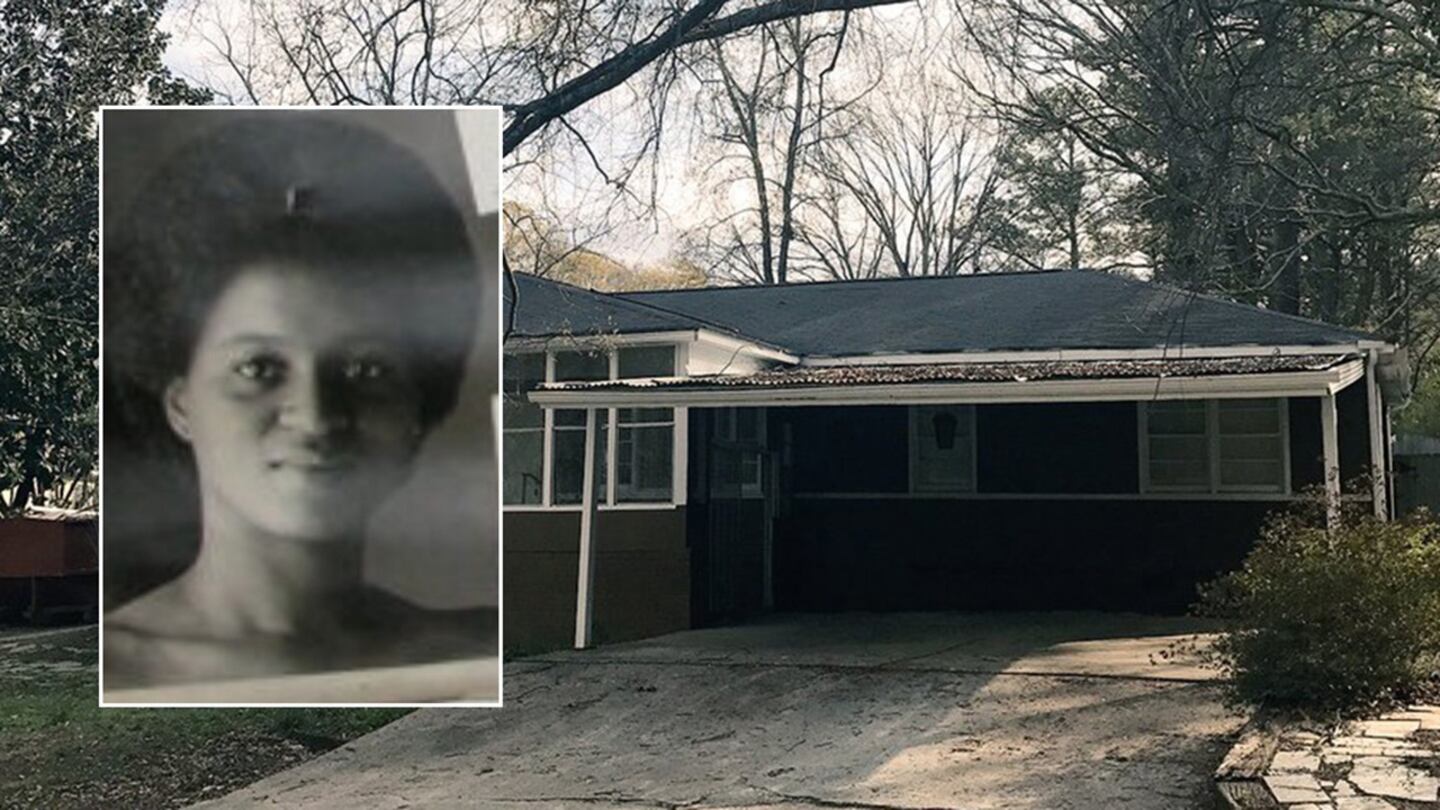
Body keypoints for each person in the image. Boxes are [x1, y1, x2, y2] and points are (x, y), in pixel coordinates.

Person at [102, 113, 494, 693]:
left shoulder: (481, 652)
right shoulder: (118, 671)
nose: (316, 417)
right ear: (181, 404)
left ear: (419, 403)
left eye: (366, 369)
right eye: (259, 369)